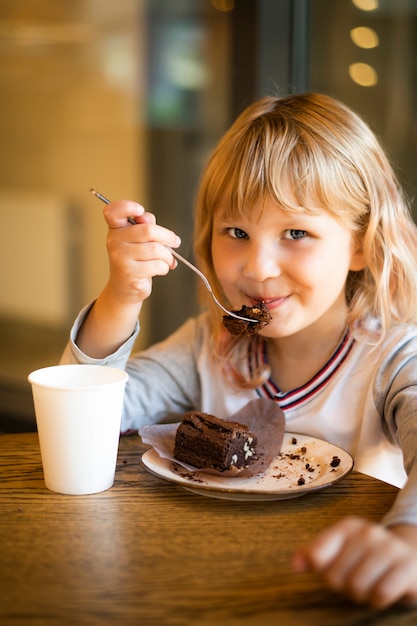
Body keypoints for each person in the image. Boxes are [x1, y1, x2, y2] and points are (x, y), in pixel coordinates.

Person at [61, 92, 417, 609]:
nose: (257, 269)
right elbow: (78, 419)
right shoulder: (208, 347)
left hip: (341, 594)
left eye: (296, 232)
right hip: (212, 588)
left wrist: (408, 539)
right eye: (237, 232)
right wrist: (121, 298)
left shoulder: (392, 357)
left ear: (361, 243)